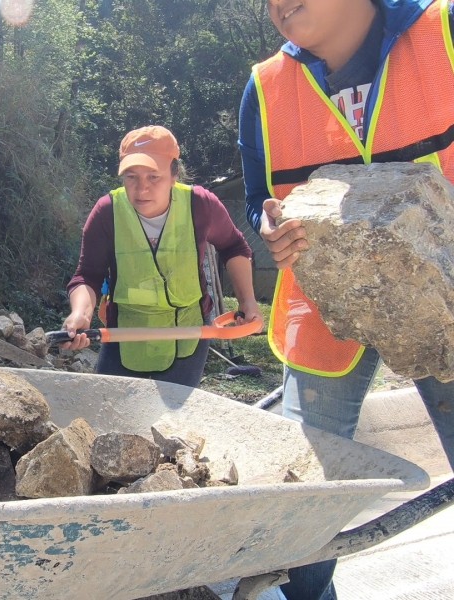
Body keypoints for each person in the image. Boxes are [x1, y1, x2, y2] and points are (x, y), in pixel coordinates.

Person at [238, 0, 454, 598]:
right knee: (306, 493)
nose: (277, 5)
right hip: (322, 307)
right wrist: (271, 223)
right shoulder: (265, 86)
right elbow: (260, 196)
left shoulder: (443, 35)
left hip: (445, 307)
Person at [61, 125, 262, 387]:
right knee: (115, 409)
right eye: (131, 177)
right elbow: (88, 275)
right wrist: (80, 315)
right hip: (124, 333)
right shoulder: (107, 211)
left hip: (188, 332)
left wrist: (248, 301)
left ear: (174, 174)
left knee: (172, 418)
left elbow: (234, 247)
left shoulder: (200, 205)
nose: (141, 188)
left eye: (153, 177)